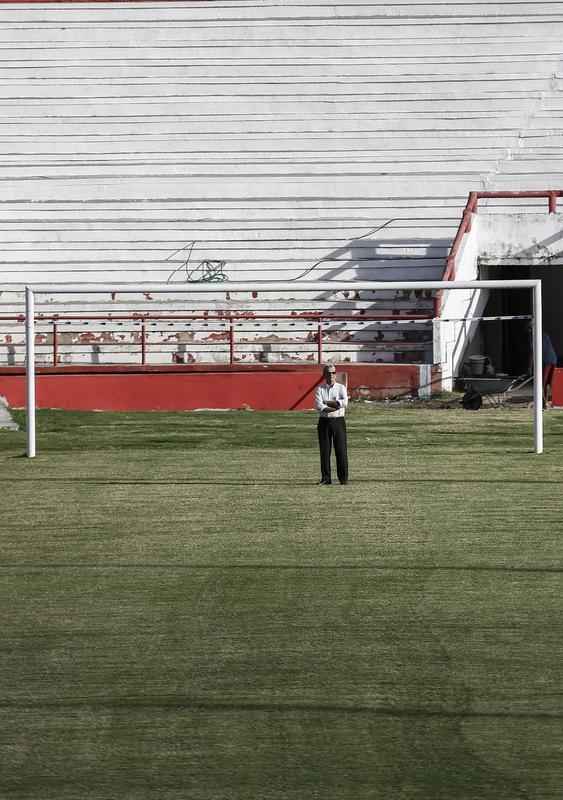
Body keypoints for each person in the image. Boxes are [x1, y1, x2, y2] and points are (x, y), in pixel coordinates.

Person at [314, 363, 349, 485]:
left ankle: (343, 478)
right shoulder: (320, 389)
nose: (331, 375)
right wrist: (334, 405)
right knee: (325, 451)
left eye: (333, 372)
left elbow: (344, 403)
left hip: (338, 421)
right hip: (324, 421)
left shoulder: (341, 388)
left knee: (341, 450)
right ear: (324, 374)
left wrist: (328, 403)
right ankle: (326, 478)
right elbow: (319, 406)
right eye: (329, 373)